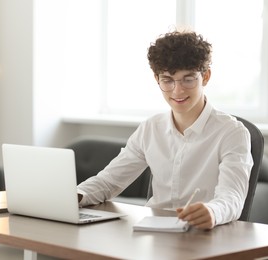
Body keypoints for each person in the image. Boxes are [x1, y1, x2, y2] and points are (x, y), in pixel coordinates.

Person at [77, 30, 253, 230]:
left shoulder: (232, 133)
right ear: (157, 79)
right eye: (168, 80)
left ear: (205, 77)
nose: (177, 91)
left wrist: (213, 211)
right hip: (153, 234)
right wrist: (74, 196)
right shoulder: (151, 128)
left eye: (188, 79)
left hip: (204, 236)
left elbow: (232, 198)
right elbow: (108, 182)